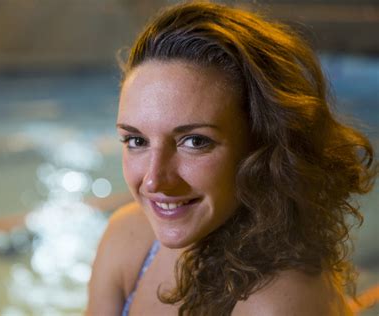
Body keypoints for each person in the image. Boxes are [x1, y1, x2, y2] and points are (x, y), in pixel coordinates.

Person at [86, 1, 377, 315]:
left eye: (195, 142)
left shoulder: (276, 303)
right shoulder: (128, 236)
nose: (154, 180)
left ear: (262, 146)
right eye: (136, 140)